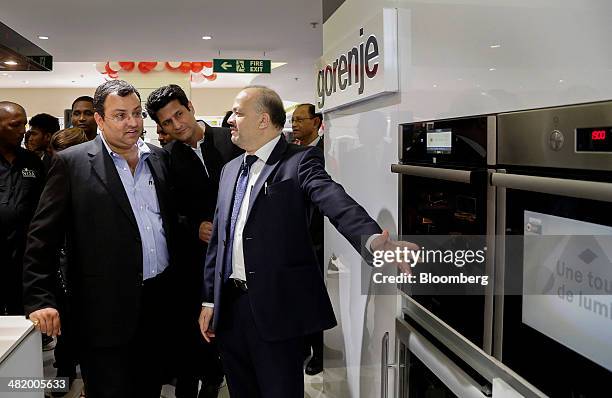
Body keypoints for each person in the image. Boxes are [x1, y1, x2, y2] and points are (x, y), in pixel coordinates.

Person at [198, 86, 416, 397]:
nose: (231, 120)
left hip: (277, 309)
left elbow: (333, 198)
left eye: (238, 112)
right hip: (231, 310)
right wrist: (210, 300)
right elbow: (219, 242)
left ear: (263, 120)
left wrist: (371, 239)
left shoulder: (299, 161)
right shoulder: (230, 169)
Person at [23, 80, 182, 398]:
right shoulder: (72, 163)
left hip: (157, 304)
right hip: (103, 311)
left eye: (137, 113)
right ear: (99, 119)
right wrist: (40, 299)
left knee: (149, 388)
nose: (133, 123)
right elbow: (42, 237)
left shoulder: (159, 160)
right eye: (120, 115)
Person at [146, 84, 242, 398]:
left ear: (190, 106)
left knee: (237, 323)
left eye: (179, 114)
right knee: (195, 325)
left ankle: (227, 373)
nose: (177, 125)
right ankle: (205, 377)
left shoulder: (232, 140)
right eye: (167, 123)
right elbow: (167, 212)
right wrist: (193, 226)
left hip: (242, 254)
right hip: (195, 259)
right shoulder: (165, 159)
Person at [0, 102, 45, 316]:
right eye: (15, 125)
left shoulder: (32, 162)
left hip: (25, 256)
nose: (22, 131)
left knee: (22, 316)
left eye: (24, 125)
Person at [291, 103, 325, 375]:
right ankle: (305, 347)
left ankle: (320, 354)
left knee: (317, 295)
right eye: (292, 120)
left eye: (300, 119)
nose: (295, 124)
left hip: (321, 237)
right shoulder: (291, 152)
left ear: (316, 121)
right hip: (299, 234)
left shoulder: (327, 150)